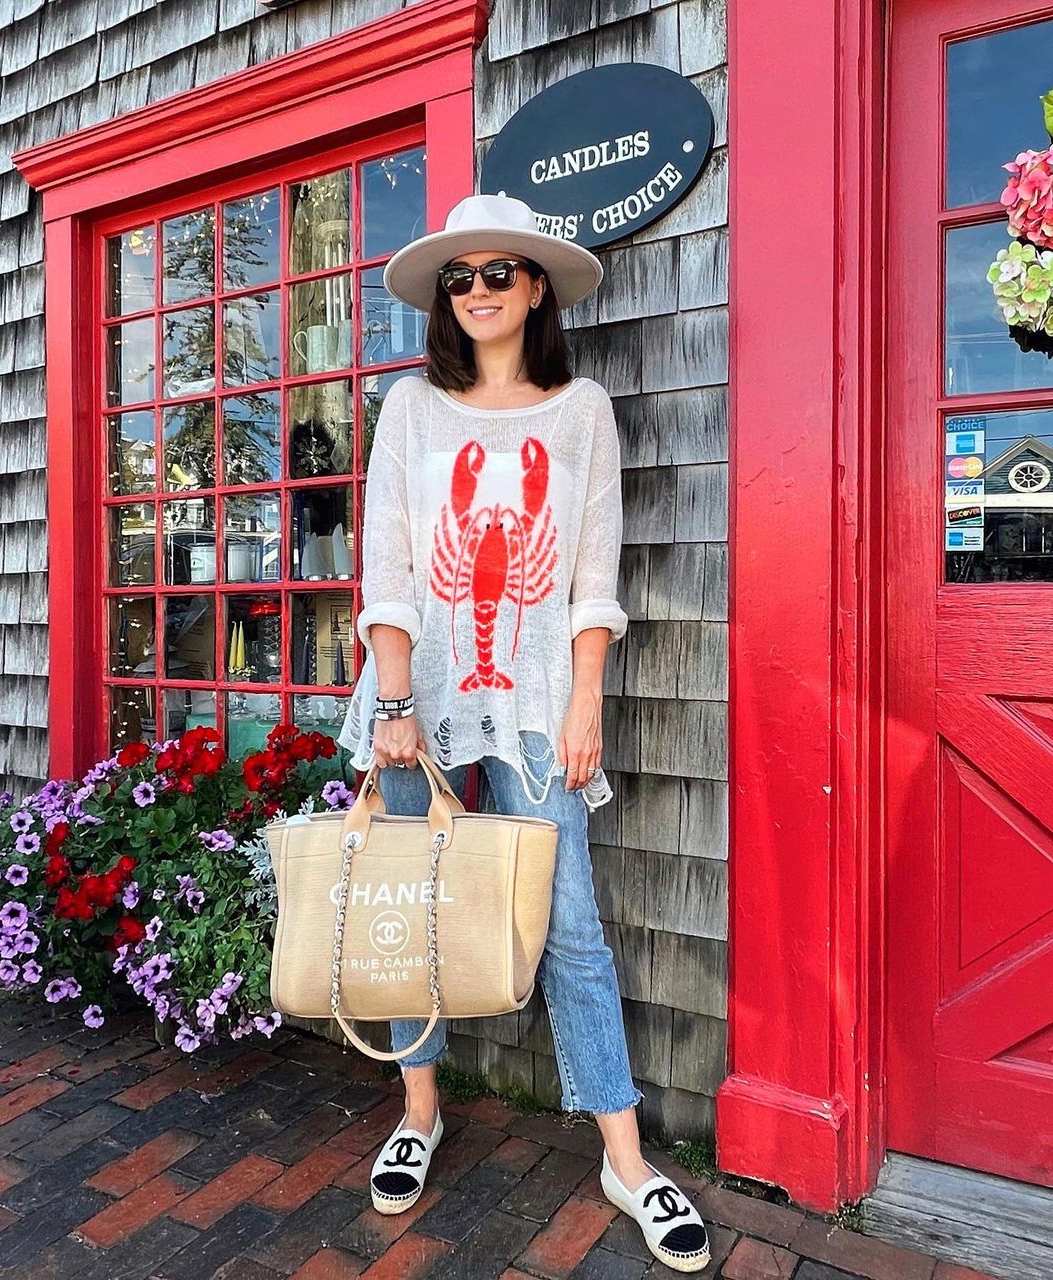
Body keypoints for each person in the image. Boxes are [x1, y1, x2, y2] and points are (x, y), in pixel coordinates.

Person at [336, 193, 710, 1273]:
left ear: (537, 286)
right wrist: (394, 699)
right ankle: (420, 1109)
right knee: (409, 909)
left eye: (500, 271)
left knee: (573, 923)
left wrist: (586, 699)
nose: (480, 289)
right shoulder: (412, 409)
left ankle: (625, 1159)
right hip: (417, 698)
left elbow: (592, 573)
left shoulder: (581, 411)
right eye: (460, 277)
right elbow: (390, 560)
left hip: (540, 701)